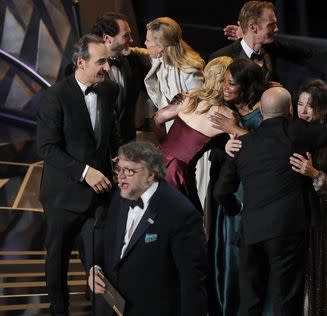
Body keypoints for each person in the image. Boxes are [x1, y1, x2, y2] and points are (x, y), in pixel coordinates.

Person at [214, 87, 327, 315]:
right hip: (286, 232)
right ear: (290, 109)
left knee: (250, 302)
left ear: (262, 111)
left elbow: (221, 192)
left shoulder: (242, 143)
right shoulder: (298, 133)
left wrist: (237, 209)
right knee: (285, 300)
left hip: (251, 231)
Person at [36, 34, 121, 315]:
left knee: (99, 257)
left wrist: (117, 157)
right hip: (62, 196)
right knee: (57, 260)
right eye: (101, 62)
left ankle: (100, 307)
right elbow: (47, 148)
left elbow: (111, 133)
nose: (107, 68)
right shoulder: (54, 96)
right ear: (81, 63)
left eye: (107, 62)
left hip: (100, 195)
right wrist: (86, 172)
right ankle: (59, 310)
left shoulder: (109, 91)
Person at [88, 141, 207, 316]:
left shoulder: (181, 214)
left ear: (150, 175)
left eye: (128, 171)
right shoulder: (119, 198)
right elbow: (106, 242)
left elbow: (192, 283)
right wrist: (95, 268)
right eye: (118, 169)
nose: (120, 177)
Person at [208, 58, 267, 316]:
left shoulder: (263, 112)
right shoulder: (226, 110)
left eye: (230, 83)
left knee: (246, 257)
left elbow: (270, 146)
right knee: (228, 253)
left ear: (246, 86)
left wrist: (236, 132)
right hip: (229, 189)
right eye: (223, 81)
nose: (224, 87)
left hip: (252, 192)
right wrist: (226, 146)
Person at [289, 80, 327, 316]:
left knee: (324, 266)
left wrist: (313, 173)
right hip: (297, 210)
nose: (302, 111)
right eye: (300, 104)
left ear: (323, 110)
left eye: (309, 106)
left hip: (325, 208)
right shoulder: (291, 132)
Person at [150, 56, 236, 212]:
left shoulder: (187, 98)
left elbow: (157, 118)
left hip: (156, 161)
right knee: (186, 225)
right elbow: (236, 145)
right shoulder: (227, 115)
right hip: (179, 173)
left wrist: (164, 145)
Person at [210, 0, 312, 82]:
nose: (277, 29)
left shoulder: (271, 48)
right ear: (253, 28)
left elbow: (304, 52)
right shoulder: (222, 57)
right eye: (271, 25)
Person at [92, 12, 151, 143]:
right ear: (107, 38)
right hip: (98, 144)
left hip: (127, 141)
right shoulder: (84, 68)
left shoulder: (134, 61)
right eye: (126, 35)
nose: (131, 39)